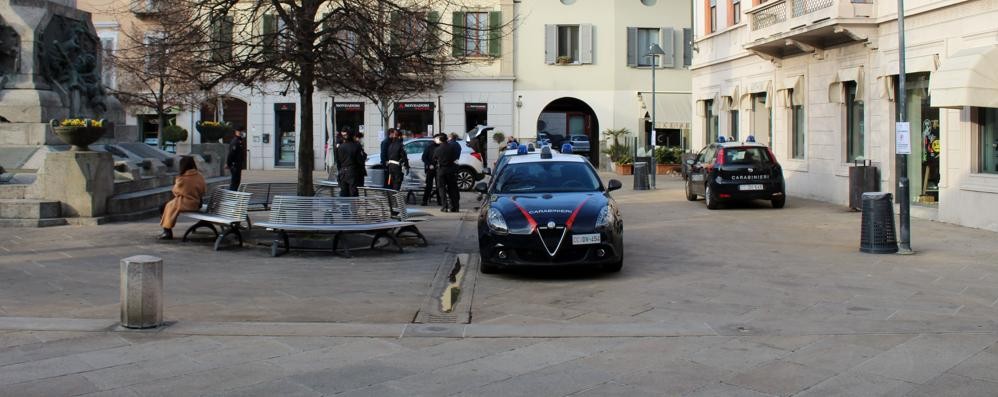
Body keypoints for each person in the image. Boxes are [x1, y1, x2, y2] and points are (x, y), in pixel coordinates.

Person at [159, 156, 206, 240]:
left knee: (164, 206)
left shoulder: (182, 179)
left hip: (185, 204)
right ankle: (166, 231)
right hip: (197, 203)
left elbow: (175, 191)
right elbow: (203, 191)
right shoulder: (200, 176)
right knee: (168, 205)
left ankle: (167, 231)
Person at [336, 130, 366, 197]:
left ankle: (344, 207)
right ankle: (353, 207)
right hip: (352, 172)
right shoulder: (356, 146)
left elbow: (338, 161)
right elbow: (360, 161)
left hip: (342, 172)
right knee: (353, 193)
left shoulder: (340, 147)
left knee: (344, 192)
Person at [421, 138, 441, 206]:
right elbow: (424, 158)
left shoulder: (441, 146)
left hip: (438, 168)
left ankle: (440, 201)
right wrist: (429, 164)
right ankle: (424, 201)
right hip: (430, 169)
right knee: (429, 185)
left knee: (439, 185)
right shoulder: (429, 147)